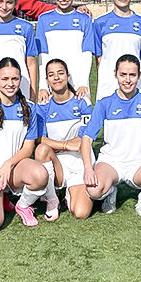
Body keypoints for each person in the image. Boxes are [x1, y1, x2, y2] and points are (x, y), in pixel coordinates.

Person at [82, 54, 141, 217]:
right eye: (123, 75)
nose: (127, 80)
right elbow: (87, 139)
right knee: (94, 190)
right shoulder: (104, 102)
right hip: (111, 161)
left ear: (139, 75)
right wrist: (88, 168)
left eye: (132, 75)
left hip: (140, 161)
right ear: (115, 74)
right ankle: (110, 192)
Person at [0, 58, 47, 232]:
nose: (10, 84)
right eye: (5, 79)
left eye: (15, 79)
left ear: (20, 80)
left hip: (13, 169)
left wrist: (8, 164)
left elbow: (28, 148)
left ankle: (23, 205)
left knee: (40, 175)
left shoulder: (29, 108)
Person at [34, 59, 94, 220]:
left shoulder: (82, 102)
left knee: (81, 212)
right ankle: (52, 198)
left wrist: (57, 145)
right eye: (51, 75)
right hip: (56, 164)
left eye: (60, 73)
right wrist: (66, 145)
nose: (57, 78)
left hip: (79, 164)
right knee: (41, 151)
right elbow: (40, 139)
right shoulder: (43, 106)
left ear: (68, 76)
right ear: (47, 80)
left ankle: (72, 193)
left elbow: (84, 139)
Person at [35, 0, 95, 103]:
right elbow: (43, 55)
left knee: (81, 120)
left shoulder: (84, 19)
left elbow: (87, 53)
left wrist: (83, 83)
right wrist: (43, 86)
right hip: (53, 82)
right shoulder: (44, 19)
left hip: (78, 83)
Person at [93, 0, 141, 100]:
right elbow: (99, 58)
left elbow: (140, 58)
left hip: (135, 85)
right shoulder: (100, 23)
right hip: (108, 86)